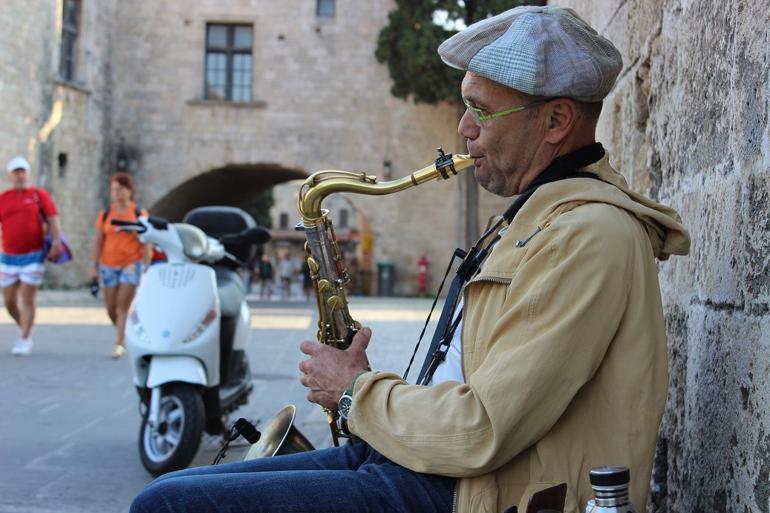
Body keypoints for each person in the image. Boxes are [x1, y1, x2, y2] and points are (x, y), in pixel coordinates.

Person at [130, 6, 691, 513]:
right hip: (430, 467)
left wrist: (357, 392)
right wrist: (375, 392)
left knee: (167, 507)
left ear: (556, 122)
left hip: (468, 492)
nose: (463, 130)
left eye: (481, 111)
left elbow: (484, 429)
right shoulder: (540, 217)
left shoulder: (588, 236)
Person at [0, 157, 62, 355]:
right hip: (9, 255)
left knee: (27, 296)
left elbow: (53, 219)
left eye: (23, 171)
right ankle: (24, 327)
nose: (20, 175)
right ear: (10, 176)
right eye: (16, 172)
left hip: (33, 255)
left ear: (27, 173)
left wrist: (56, 242)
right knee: (9, 300)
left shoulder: (39, 195)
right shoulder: (4, 198)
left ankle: (24, 338)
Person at [89, 172, 151, 359]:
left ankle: (119, 343)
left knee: (122, 304)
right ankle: (125, 333)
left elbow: (146, 241)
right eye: (114, 190)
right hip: (108, 264)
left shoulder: (139, 213)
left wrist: (146, 264)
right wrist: (94, 266)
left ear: (129, 191)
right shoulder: (106, 214)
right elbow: (98, 240)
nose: (117, 193)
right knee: (111, 307)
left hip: (131, 263)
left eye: (120, 189)